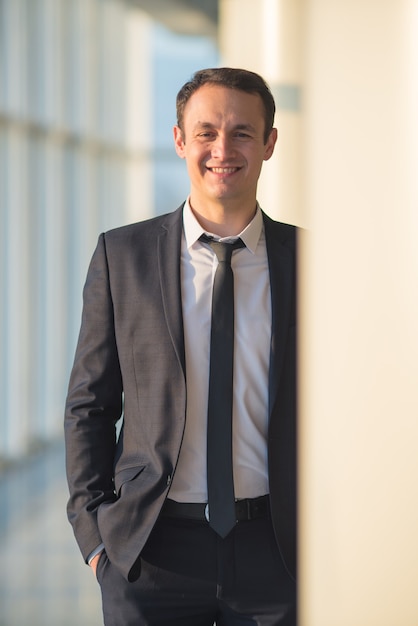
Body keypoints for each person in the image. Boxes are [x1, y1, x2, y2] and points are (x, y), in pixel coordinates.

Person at [65, 67, 297, 626]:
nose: (223, 148)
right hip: (150, 551)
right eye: (206, 132)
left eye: (243, 132)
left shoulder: (310, 263)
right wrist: (97, 539)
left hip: (279, 550)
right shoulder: (123, 257)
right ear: (179, 140)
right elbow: (89, 406)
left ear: (269, 142)